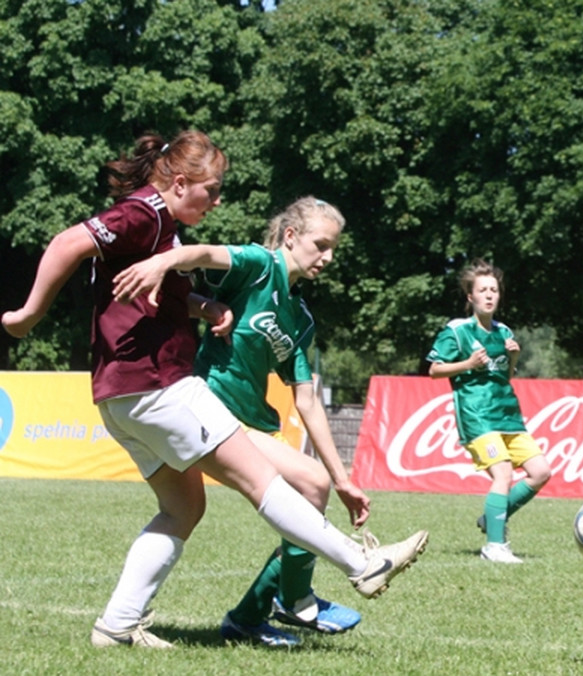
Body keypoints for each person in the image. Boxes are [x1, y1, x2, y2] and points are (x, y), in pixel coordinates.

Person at [2, 131, 427, 649]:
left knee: (184, 507)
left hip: (120, 394)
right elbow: (70, 241)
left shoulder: (164, 229)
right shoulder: (151, 213)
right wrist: (28, 314)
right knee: (263, 481)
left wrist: (202, 306)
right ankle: (363, 564)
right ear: (180, 184)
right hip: (160, 386)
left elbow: (152, 294)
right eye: (213, 189)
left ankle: (116, 625)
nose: (218, 200)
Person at [111, 197, 408, 647]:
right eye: (320, 244)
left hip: (245, 424)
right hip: (207, 407)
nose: (327, 257)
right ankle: (295, 597)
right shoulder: (258, 264)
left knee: (188, 510)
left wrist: (344, 478)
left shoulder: (301, 318)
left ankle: (245, 615)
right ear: (291, 236)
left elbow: (306, 401)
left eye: (333, 249)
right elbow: (207, 254)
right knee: (309, 484)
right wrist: (166, 260)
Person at [426, 259, 551, 564]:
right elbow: (434, 370)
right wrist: (467, 364)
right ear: (470, 297)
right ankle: (494, 546)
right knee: (504, 473)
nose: (489, 295)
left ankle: (492, 517)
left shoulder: (504, 331)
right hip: (477, 416)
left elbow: (504, 377)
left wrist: (514, 357)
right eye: (482, 290)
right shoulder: (457, 331)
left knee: (540, 472)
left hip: (508, 415)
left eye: (494, 290)